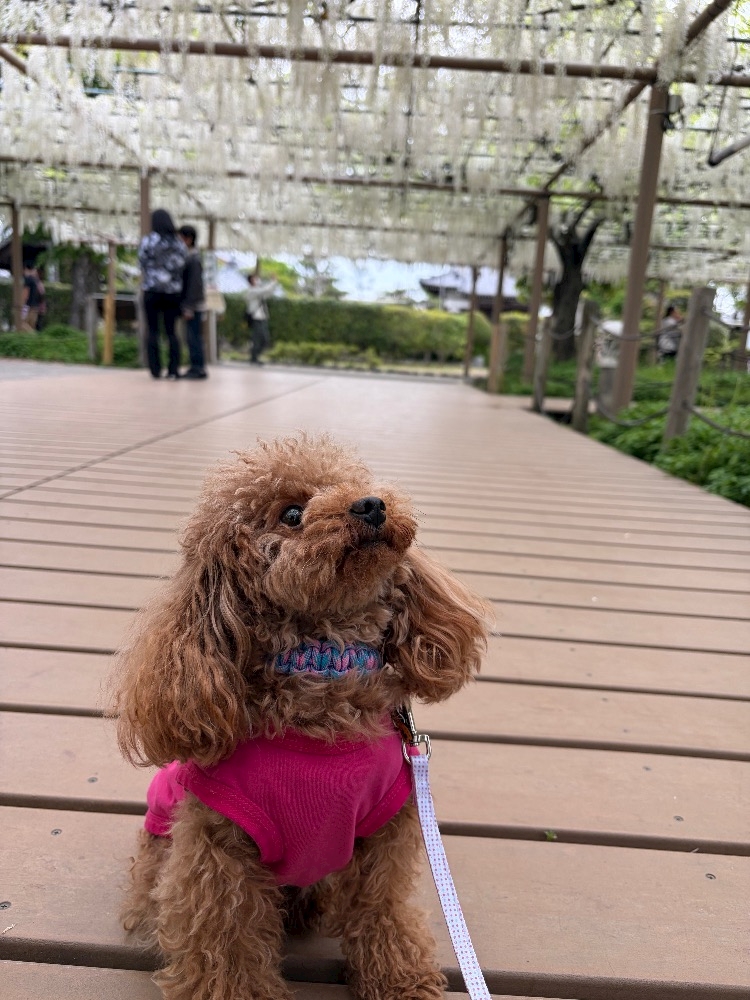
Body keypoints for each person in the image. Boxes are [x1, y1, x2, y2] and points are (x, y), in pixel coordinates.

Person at [138, 209, 187, 379]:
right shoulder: (178, 243)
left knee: (153, 330)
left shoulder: (148, 241)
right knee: (172, 331)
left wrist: (154, 273)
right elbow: (182, 265)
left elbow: (141, 262)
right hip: (172, 292)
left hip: (152, 290)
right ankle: (173, 369)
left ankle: (155, 369)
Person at [177, 225, 208, 379]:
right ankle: (196, 367)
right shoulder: (191, 256)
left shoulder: (193, 259)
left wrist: (188, 307)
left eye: (180, 238)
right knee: (192, 336)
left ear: (188, 239)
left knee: (193, 337)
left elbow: (194, 285)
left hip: (194, 305)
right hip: (193, 304)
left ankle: (197, 368)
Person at [244, 272, 278, 365]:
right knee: (257, 339)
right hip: (256, 318)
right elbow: (265, 290)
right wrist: (273, 282)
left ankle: (254, 356)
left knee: (265, 340)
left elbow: (268, 292)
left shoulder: (258, 290)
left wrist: (273, 284)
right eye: (256, 279)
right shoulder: (252, 291)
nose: (258, 280)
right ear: (251, 280)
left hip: (262, 318)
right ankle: (254, 358)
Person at [21, 263, 42, 332]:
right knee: (31, 325)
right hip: (36, 306)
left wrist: (21, 304)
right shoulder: (36, 281)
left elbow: (25, 293)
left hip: (27, 306)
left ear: (26, 269)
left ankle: (35, 335)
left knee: (22, 324)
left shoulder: (28, 279)